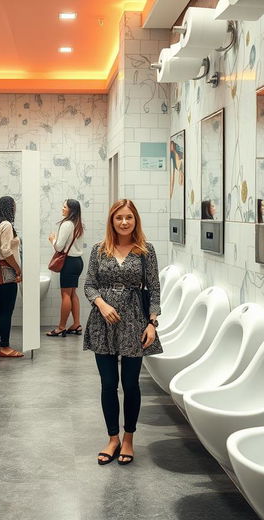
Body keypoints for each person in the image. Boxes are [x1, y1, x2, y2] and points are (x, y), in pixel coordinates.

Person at [83, 198, 162, 466]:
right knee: (108, 384)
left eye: (129, 217)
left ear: (135, 220)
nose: (124, 222)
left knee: (130, 384)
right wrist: (101, 304)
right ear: (112, 221)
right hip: (102, 322)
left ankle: (128, 438)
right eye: (119, 218)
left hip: (134, 322)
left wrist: (152, 323)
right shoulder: (98, 250)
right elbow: (89, 285)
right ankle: (112, 438)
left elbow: (154, 289)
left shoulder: (145, 251)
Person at [0, 196, 24, 358]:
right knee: (7, 310)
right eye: (14, 206)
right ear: (10, 207)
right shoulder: (7, 225)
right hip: (6, 269)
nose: (15, 209)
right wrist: (17, 268)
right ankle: (5, 347)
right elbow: (6, 251)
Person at [47, 199, 85, 337]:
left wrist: (52, 240)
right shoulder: (78, 224)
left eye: (64, 207)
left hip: (69, 263)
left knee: (65, 295)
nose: (62, 209)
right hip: (77, 262)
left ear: (71, 210)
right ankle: (76, 324)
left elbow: (59, 247)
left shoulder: (67, 224)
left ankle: (61, 327)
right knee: (73, 293)